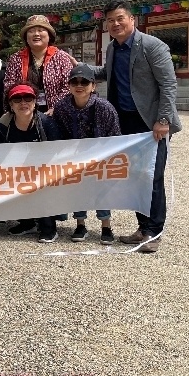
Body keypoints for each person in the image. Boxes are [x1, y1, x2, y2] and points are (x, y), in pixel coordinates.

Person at [93, 1, 183, 254]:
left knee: (152, 176)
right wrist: (78, 68)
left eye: (120, 18)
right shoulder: (113, 48)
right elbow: (107, 73)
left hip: (150, 121)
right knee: (134, 177)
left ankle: (154, 231)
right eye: (110, 20)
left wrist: (163, 120)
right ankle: (143, 227)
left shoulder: (153, 46)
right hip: (124, 120)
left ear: (132, 19)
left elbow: (168, 84)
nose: (115, 24)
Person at [51, 63, 122, 244]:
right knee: (78, 189)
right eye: (74, 82)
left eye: (84, 82)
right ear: (69, 85)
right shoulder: (62, 107)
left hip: (101, 157)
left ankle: (106, 226)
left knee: (101, 190)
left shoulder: (104, 107)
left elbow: (115, 134)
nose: (79, 85)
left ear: (93, 86)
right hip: (73, 157)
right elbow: (58, 133)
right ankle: (80, 224)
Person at [0, 83, 63, 242]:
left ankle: (49, 228)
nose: (23, 103)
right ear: (10, 104)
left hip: (44, 170)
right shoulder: (3, 123)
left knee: (44, 186)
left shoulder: (46, 123)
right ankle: (27, 223)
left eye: (28, 98)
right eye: (17, 99)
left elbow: (58, 151)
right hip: (16, 170)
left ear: (35, 102)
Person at [3, 14, 76, 114]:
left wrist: (56, 108)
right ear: (26, 37)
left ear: (49, 35)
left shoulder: (61, 57)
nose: (36, 34)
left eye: (41, 30)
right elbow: (9, 86)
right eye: (31, 31)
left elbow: (68, 86)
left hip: (56, 113)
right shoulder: (16, 59)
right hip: (24, 113)